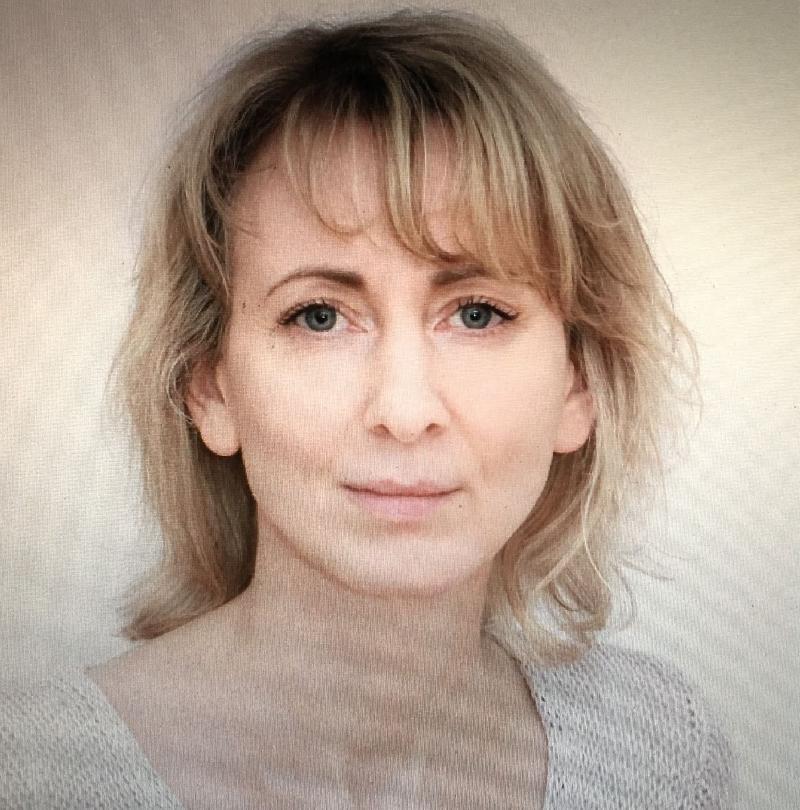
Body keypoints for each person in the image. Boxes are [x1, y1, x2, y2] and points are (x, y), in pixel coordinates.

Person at [0, 9, 734, 809]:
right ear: (209, 387)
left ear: (578, 385)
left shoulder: (659, 753)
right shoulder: (35, 774)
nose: (405, 410)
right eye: (319, 316)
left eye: (477, 313)